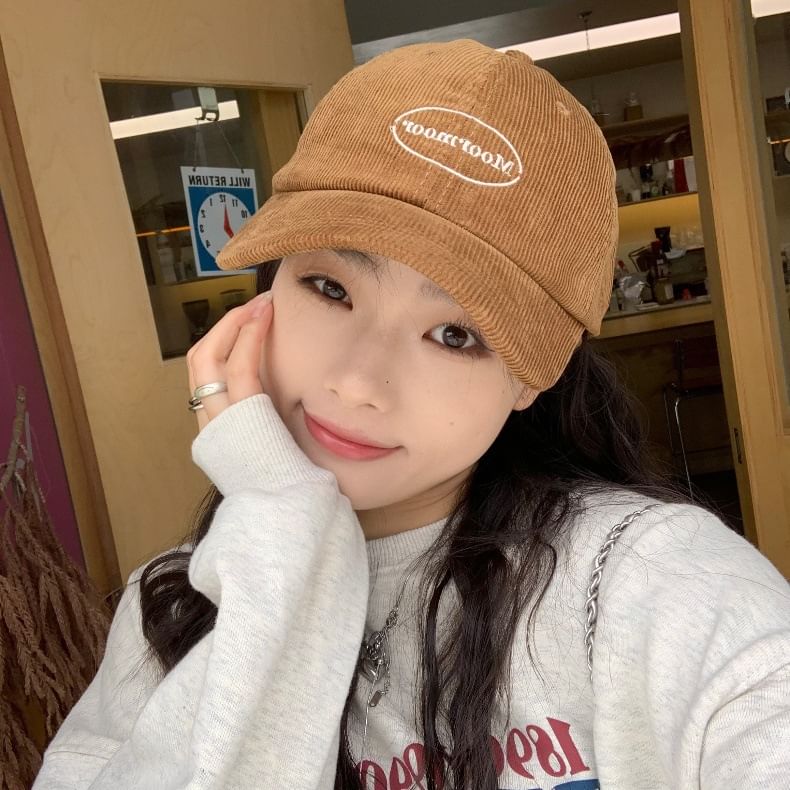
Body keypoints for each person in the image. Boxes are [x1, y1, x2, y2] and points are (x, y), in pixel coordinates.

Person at [33, 39, 790, 790]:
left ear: (533, 378)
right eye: (330, 288)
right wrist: (278, 532)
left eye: (455, 334)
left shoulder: (652, 582)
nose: (360, 382)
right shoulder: (171, 604)